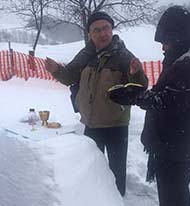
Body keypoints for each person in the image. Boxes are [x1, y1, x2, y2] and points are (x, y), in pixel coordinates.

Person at [109, 6, 190, 206]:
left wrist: (134, 96)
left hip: (175, 145)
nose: (163, 48)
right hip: (179, 141)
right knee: (175, 192)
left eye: (166, 42)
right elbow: (170, 92)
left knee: (173, 196)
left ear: (178, 35)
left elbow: (168, 103)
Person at [45, 11, 148, 196]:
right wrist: (56, 70)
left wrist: (136, 73)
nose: (103, 34)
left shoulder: (124, 56)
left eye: (106, 28)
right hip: (91, 124)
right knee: (91, 169)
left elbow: (140, 88)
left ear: (112, 29)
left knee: (117, 171)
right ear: (90, 34)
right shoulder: (85, 55)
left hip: (116, 125)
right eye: (97, 30)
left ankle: (117, 199)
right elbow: (70, 77)